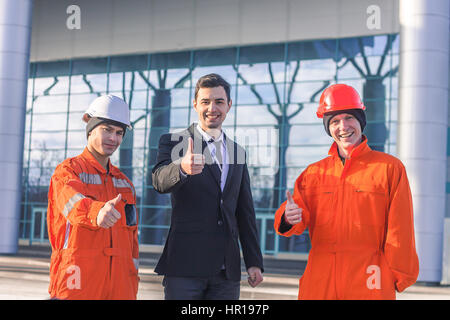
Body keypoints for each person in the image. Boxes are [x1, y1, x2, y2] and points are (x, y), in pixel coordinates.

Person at [274, 84, 419, 300]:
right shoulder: (313, 173)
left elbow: (400, 229)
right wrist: (287, 217)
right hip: (320, 280)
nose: (343, 126)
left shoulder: (390, 169)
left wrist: (399, 275)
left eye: (349, 118)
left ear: (361, 121)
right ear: (328, 128)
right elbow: (295, 218)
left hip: (370, 279)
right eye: (334, 121)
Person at [152, 73, 264, 300]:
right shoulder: (174, 142)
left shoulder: (238, 152)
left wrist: (254, 262)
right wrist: (181, 169)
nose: (212, 108)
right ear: (195, 105)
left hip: (227, 270)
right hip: (185, 265)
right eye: (205, 101)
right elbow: (158, 181)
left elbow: (244, 210)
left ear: (229, 105)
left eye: (219, 102)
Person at [47, 95, 139, 300]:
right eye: (106, 129)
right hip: (77, 282)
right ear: (90, 129)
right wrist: (97, 212)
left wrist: (131, 281)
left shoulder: (125, 184)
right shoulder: (68, 171)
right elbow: (72, 201)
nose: (113, 139)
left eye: (119, 132)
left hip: (121, 287)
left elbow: (132, 240)